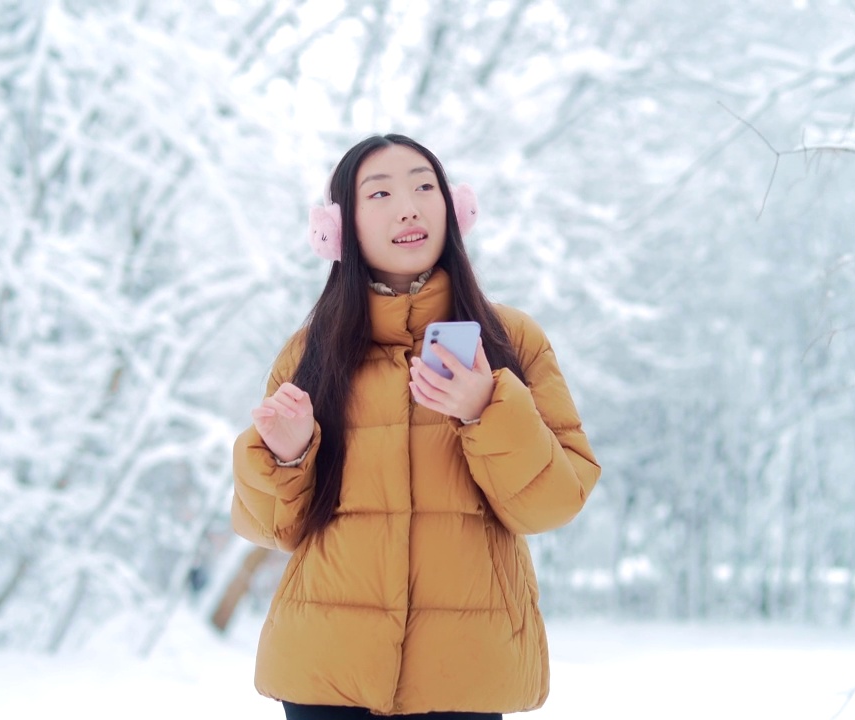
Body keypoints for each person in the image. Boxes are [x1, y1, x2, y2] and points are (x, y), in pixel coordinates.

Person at [231, 133, 601, 719]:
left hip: (466, 668)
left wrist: (487, 408)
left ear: (454, 211)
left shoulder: (511, 343)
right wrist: (287, 457)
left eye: (424, 187)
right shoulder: (312, 353)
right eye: (379, 193)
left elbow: (553, 504)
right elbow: (270, 528)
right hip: (326, 669)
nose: (409, 206)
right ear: (341, 228)